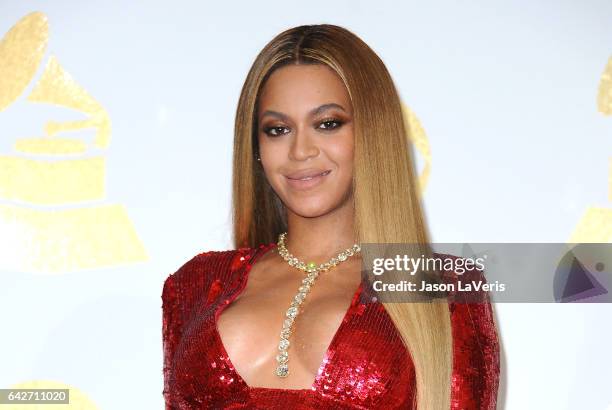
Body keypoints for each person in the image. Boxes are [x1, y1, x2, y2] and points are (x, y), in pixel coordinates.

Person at [162, 24, 500, 409]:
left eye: (327, 124)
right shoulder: (196, 284)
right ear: (255, 147)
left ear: (372, 134)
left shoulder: (443, 287)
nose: (300, 150)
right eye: (278, 129)